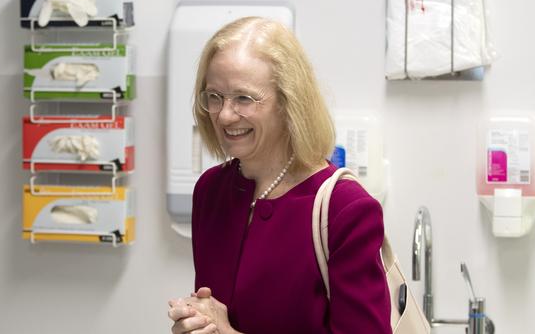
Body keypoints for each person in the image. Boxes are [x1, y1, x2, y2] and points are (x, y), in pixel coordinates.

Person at [167, 16, 391, 334]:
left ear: (288, 103)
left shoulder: (345, 208)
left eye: (244, 98)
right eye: (214, 96)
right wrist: (198, 322)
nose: (225, 115)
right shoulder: (211, 190)